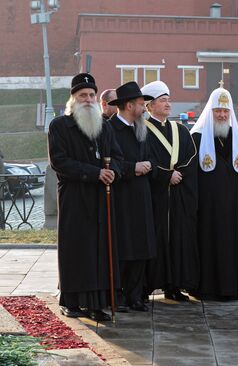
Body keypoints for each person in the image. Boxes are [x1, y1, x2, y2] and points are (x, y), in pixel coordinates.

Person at [48, 73, 121, 321]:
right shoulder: (59, 126)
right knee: (76, 249)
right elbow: (60, 162)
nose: (88, 100)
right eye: (82, 95)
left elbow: (118, 158)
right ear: (73, 99)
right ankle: (71, 300)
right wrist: (95, 172)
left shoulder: (105, 126)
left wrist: (114, 172)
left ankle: (96, 304)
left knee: (99, 250)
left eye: (91, 95)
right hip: (74, 197)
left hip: (101, 198)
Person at [190, 85, 238, 301]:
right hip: (207, 206)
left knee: (230, 246)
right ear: (211, 112)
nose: (222, 115)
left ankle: (232, 288)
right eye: (218, 110)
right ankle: (206, 288)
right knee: (208, 244)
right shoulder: (197, 138)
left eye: (226, 111)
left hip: (233, 206)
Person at [142, 80, 200, 301]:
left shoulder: (180, 129)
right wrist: (167, 175)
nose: (168, 104)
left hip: (178, 196)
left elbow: (190, 157)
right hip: (156, 196)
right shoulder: (142, 130)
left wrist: (179, 175)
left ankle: (174, 285)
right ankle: (151, 284)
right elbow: (145, 159)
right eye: (162, 101)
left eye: (168, 100)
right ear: (149, 106)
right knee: (156, 239)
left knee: (177, 239)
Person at [107, 82, 156, 312]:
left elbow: (150, 157)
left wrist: (147, 166)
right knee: (123, 248)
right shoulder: (109, 129)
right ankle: (118, 295)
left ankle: (136, 296)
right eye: (140, 104)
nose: (144, 109)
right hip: (121, 197)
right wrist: (132, 168)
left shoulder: (140, 128)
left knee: (141, 247)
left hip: (142, 196)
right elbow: (109, 162)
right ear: (128, 105)